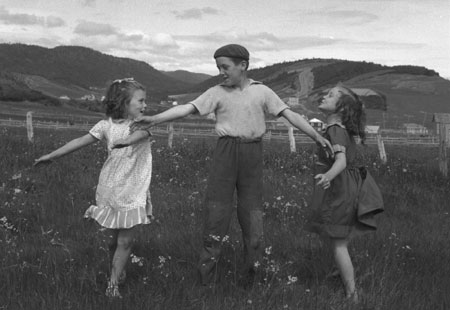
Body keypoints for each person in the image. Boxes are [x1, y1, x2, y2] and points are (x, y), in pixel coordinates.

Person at [125, 43, 332, 286]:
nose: (221, 72)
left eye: (225, 67)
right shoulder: (217, 92)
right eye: (218, 68)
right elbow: (186, 109)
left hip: (252, 154)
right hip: (225, 154)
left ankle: (251, 281)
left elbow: (291, 115)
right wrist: (154, 119)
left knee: (253, 218)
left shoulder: (262, 91)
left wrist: (317, 136)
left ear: (243, 65)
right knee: (216, 215)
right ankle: (206, 282)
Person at [34, 78, 153, 298]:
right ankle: (117, 270)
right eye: (141, 100)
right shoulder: (105, 125)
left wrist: (126, 142)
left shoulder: (143, 123)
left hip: (134, 189)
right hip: (110, 188)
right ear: (123, 101)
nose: (145, 105)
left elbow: (141, 135)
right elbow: (80, 141)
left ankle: (113, 284)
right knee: (113, 240)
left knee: (126, 240)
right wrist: (52, 156)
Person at [305, 85, 384, 302]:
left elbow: (341, 161)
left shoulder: (335, 130)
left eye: (330, 95)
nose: (324, 95)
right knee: (337, 237)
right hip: (345, 187)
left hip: (339, 188)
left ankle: (352, 294)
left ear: (341, 108)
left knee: (338, 242)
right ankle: (340, 273)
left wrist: (328, 176)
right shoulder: (338, 129)